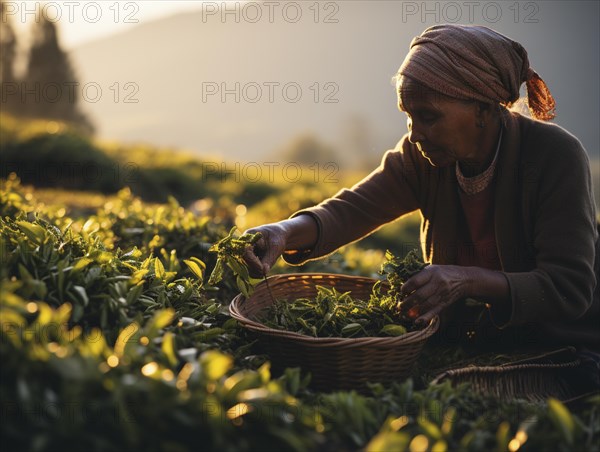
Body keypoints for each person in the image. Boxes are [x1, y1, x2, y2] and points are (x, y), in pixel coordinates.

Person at [244, 24, 599, 391]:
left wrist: (466, 280)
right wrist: (282, 232)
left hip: (562, 344)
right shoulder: (421, 156)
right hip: (473, 338)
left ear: (481, 108)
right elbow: (352, 210)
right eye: (408, 115)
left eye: (428, 117)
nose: (415, 133)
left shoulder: (554, 156)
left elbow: (568, 288)